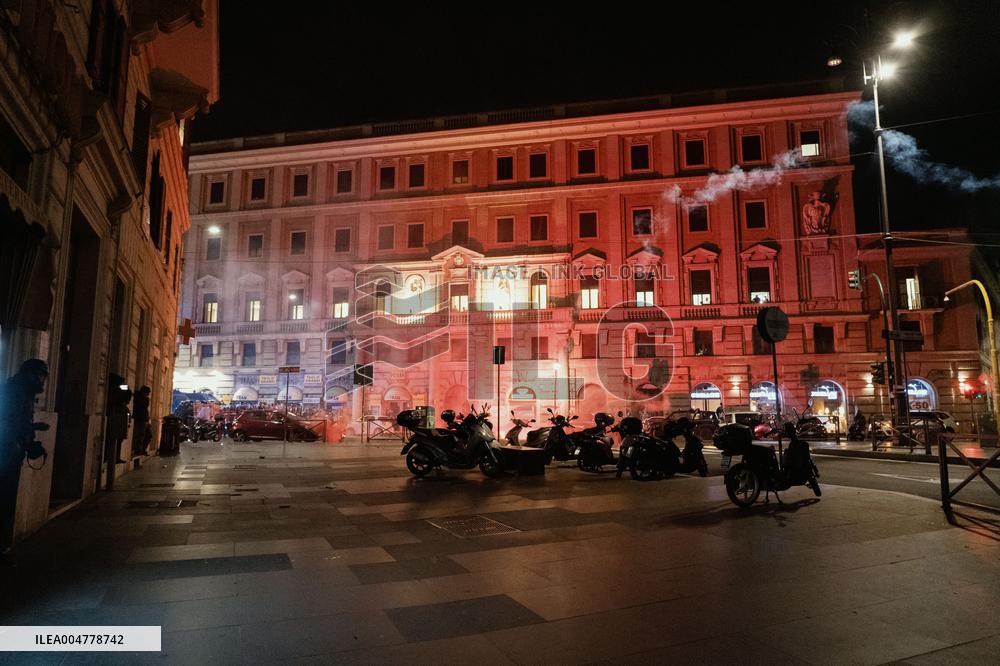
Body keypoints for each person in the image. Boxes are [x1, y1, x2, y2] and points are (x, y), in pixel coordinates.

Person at [1, 359, 49, 560]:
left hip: (13, 450)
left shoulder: (23, 392)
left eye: (42, 375)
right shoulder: (14, 392)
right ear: (28, 372)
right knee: (4, 498)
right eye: (38, 374)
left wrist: (32, 432)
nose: (40, 379)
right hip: (6, 451)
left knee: (7, 499)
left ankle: (3, 546)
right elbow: (9, 421)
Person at [105, 374, 132, 465]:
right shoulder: (113, 389)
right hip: (115, 417)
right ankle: (112, 456)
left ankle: (115, 456)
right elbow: (128, 392)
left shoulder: (118, 389)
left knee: (118, 438)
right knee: (114, 438)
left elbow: (128, 391)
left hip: (117, 417)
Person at [132, 386, 152, 455]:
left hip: (145, 418)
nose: (148, 394)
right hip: (140, 419)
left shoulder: (143, 398)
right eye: (148, 393)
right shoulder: (140, 398)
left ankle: (142, 449)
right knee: (140, 435)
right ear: (144, 392)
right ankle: (138, 450)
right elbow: (144, 406)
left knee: (148, 435)